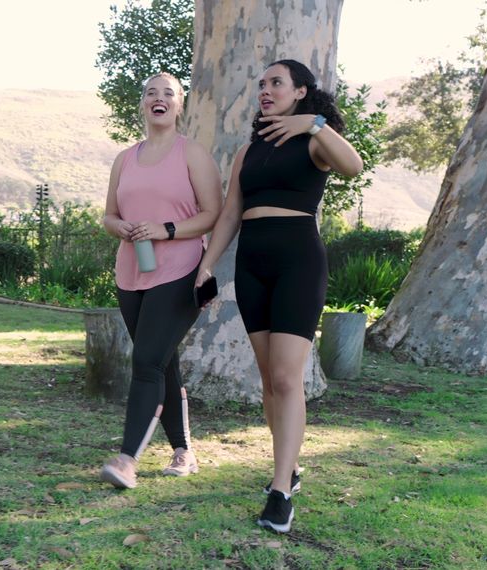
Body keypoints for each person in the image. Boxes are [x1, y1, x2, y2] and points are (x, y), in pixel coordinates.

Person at [195, 59, 363, 533]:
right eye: (262, 84)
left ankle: (281, 492)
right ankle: (286, 468)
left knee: (289, 378)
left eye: (276, 83)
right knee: (270, 380)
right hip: (252, 265)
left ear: (300, 91)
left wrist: (315, 122)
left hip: (298, 263)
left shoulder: (314, 139)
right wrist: (207, 265)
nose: (265, 90)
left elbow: (354, 167)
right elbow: (230, 213)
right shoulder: (250, 151)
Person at [98, 72, 223, 489]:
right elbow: (109, 214)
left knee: (147, 361)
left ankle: (127, 458)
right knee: (162, 360)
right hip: (131, 272)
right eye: (152, 92)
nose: (159, 98)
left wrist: (164, 230)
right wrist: (124, 229)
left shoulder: (193, 154)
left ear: (179, 105)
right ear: (143, 105)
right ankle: (184, 451)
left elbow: (212, 214)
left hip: (181, 269)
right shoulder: (125, 159)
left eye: (168, 93)